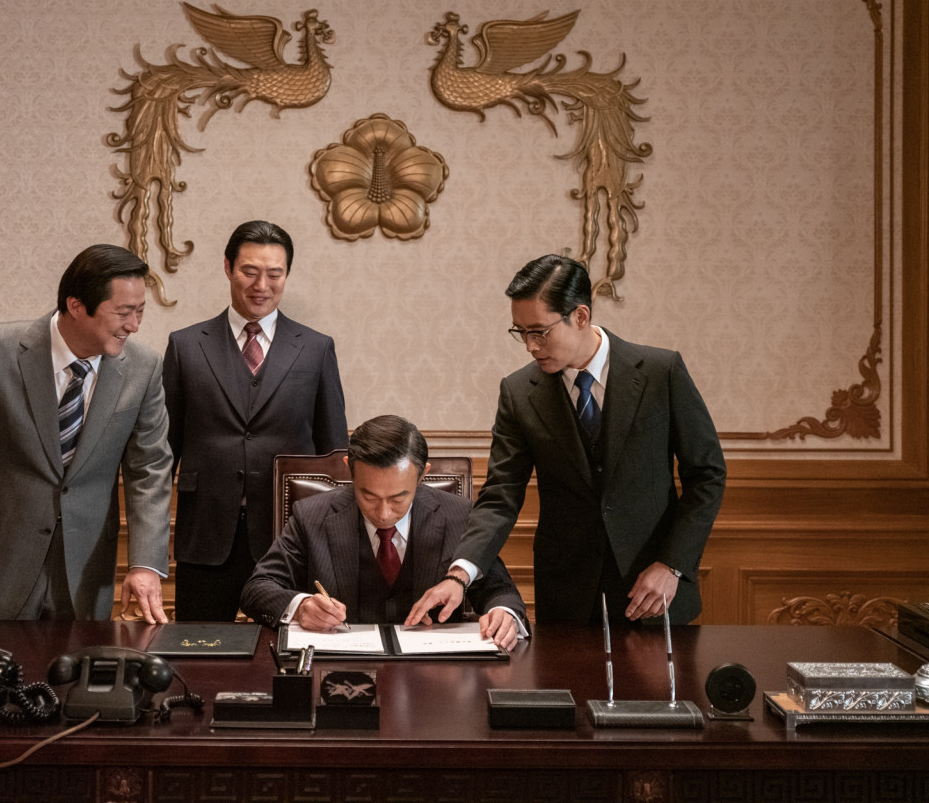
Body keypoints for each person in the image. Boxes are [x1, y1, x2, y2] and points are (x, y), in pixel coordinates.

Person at [407, 254, 725, 628]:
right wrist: (459, 575)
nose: (530, 346)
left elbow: (707, 476)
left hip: (654, 591)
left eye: (539, 332)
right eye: (520, 332)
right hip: (568, 596)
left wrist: (672, 564)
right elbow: (501, 495)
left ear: (581, 316)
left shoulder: (661, 372)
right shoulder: (518, 392)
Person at [0, 244, 173, 626]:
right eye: (123, 313)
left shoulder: (144, 368)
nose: (134, 325)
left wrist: (146, 564)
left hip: (86, 571)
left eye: (140, 312)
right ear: (76, 306)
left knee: (80, 666)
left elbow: (150, 470)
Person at [164, 220, 348, 621]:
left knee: (288, 648)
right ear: (228, 267)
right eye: (249, 271)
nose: (261, 285)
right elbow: (164, 452)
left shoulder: (316, 348)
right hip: (206, 533)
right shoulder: (185, 345)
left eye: (274, 274)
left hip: (289, 534)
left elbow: (335, 453)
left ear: (287, 275)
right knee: (199, 644)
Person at [240, 414, 527, 650]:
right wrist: (301, 606)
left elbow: (501, 591)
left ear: (423, 474)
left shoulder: (460, 516)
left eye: (399, 497)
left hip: (434, 675)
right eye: (369, 496)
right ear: (349, 469)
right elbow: (257, 589)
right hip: (341, 670)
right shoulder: (312, 515)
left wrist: (504, 614)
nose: (384, 513)